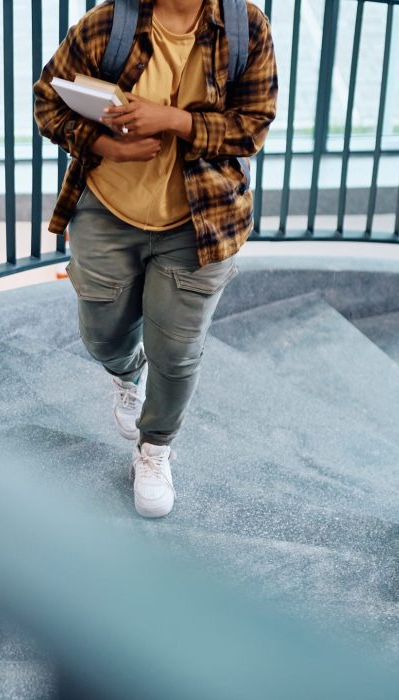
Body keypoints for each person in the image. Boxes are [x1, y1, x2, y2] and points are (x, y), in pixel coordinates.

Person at [32, 0, 277, 517]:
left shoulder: (245, 26)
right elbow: (46, 103)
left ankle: (155, 449)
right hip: (107, 209)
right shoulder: (109, 24)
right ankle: (127, 374)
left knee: (178, 351)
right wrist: (106, 145)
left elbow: (251, 129)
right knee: (101, 335)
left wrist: (175, 120)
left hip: (201, 222)